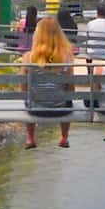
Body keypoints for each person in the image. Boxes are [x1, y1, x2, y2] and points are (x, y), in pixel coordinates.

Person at [21, 17, 74, 150]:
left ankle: (30, 137)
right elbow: (70, 86)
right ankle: (64, 136)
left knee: (29, 96)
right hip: (60, 109)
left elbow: (24, 86)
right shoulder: (66, 56)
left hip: (35, 109)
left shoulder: (28, 57)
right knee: (67, 99)